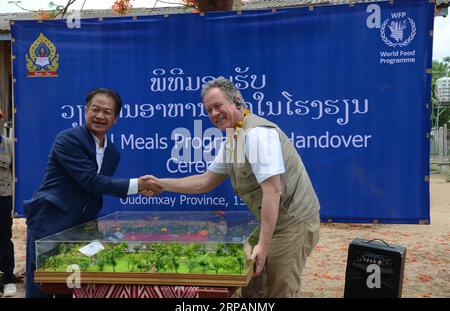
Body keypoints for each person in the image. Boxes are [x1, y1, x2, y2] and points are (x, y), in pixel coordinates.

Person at [148, 77, 320, 297]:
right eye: (208, 110)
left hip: (292, 224)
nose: (213, 114)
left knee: (280, 290)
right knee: (253, 286)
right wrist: (160, 184)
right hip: (271, 223)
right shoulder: (234, 136)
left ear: (237, 102)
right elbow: (205, 181)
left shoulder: (257, 134)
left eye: (218, 106)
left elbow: (273, 191)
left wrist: (263, 246)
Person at [23, 88, 163, 298]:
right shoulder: (69, 139)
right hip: (51, 224)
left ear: (115, 119)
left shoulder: (112, 153)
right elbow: (90, 180)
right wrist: (137, 186)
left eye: (107, 112)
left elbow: (98, 189)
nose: (100, 116)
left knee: (73, 286)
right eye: (95, 109)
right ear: (85, 110)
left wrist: (141, 188)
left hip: (82, 230)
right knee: (42, 286)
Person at [0, 109, 17, 297]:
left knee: (4, 237)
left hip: (3, 198)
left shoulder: (9, 145)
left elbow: (15, 175)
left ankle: (8, 278)